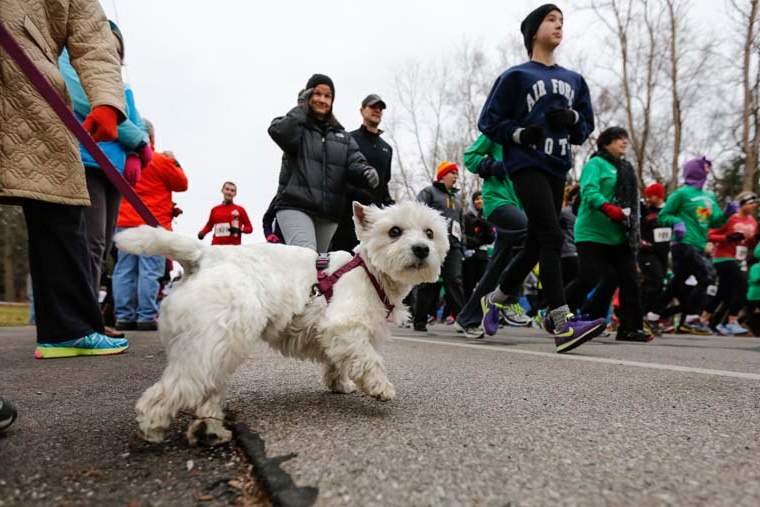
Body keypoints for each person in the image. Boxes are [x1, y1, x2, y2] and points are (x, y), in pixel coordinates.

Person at [1, 2, 129, 358]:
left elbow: (91, 34)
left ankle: (68, 328)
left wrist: (106, 99)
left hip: (32, 87)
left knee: (60, 208)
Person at [477, 4, 605, 352]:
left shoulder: (575, 80)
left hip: (557, 165)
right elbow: (488, 122)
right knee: (550, 236)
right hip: (526, 164)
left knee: (535, 242)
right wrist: (519, 134)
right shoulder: (516, 76)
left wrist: (573, 117)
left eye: (562, 21)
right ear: (534, 30)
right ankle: (562, 324)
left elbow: (584, 129)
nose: (559, 25)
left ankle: (497, 298)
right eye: (551, 20)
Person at [58, 21, 151, 338]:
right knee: (91, 243)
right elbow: (88, 103)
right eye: (106, 42)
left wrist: (138, 154)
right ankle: (84, 321)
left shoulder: (123, 87)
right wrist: (138, 141)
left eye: (118, 47)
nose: (112, 49)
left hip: (115, 173)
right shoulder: (72, 68)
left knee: (100, 243)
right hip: (88, 161)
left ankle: (89, 318)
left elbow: (134, 118)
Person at [268, 73, 379, 252]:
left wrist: (365, 172)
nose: (322, 100)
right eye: (317, 94)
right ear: (308, 96)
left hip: (328, 214)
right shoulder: (298, 127)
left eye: (328, 96)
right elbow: (280, 132)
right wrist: (301, 107)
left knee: (319, 266)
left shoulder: (342, 136)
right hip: (295, 206)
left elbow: (355, 162)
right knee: (305, 255)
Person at [564, 127, 652, 342]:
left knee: (629, 279)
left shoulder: (627, 168)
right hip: (592, 232)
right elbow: (589, 191)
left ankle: (630, 328)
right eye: (619, 138)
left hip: (620, 235)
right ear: (606, 143)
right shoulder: (595, 164)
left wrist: (634, 227)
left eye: (626, 138)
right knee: (589, 276)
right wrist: (609, 209)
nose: (624, 142)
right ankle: (558, 313)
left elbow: (633, 202)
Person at [113, 120, 188, 331]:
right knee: (149, 271)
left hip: (124, 222)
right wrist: (174, 161)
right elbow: (182, 184)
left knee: (124, 270)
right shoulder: (160, 160)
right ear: (152, 137)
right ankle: (146, 316)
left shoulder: (123, 159)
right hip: (152, 224)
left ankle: (124, 316)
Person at [454, 134, 531, 338]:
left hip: (518, 205)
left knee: (495, 268)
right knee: (533, 237)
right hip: (497, 202)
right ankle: (507, 299)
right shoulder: (498, 131)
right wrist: (494, 166)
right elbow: (470, 156)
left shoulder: (531, 138)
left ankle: (467, 318)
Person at [657, 156, 730, 335]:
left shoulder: (709, 196)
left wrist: (726, 214)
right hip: (682, 243)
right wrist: (676, 222)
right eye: (705, 168)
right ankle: (691, 318)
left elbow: (713, 221)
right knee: (707, 277)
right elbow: (663, 215)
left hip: (699, 245)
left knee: (678, 281)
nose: (707, 171)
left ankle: (652, 314)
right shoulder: (681, 194)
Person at [331, 94, 394, 252]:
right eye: (373, 107)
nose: (377, 111)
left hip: (375, 219)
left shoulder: (386, 148)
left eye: (380, 108)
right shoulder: (349, 139)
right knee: (344, 261)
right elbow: (338, 176)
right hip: (347, 216)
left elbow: (384, 184)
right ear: (362, 110)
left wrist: (391, 207)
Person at [413, 161, 465, 332]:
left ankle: (463, 320)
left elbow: (461, 223)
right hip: (433, 245)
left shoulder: (457, 198)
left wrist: (462, 245)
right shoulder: (429, 192)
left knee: (454, 280)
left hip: (453, 246)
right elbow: (417, 212)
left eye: (457, 174)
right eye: (453, 173)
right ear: (443, 175)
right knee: (427, 280)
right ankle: (419, 320)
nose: (456, 177)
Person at [703, 191, 758, 335]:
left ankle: (704, 320)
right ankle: (731, 322)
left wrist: (755, 238)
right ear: (742, 204)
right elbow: (710, 234)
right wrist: (728, 237)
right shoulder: (731, 218)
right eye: (751, 203)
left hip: (740, 258)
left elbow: (749, 244)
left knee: (724, 292)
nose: (754, 205)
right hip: (724, 258)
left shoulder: (753, 222)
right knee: (742, 285)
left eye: (755, 203)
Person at [638, 182, 670, 333]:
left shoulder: (668, 211)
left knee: (658, 285)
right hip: (647, 251)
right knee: (654, 281)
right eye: (648, 196)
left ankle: (650, 317)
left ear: (660, 196)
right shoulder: (644, 210)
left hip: (662, 253)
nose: (649, 199)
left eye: (652, 196)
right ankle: (642, 315)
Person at [462, 191, 494, 301]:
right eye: (476, 199)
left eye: (481, 198)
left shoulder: (488, 217)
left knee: (485, 285)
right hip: (470, 258)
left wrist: (484, 224)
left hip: (484, 257)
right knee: (468, 287)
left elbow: (491, 238)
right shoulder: (467, 217)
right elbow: (463, 237)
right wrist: (478, 241)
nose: (479, 201)